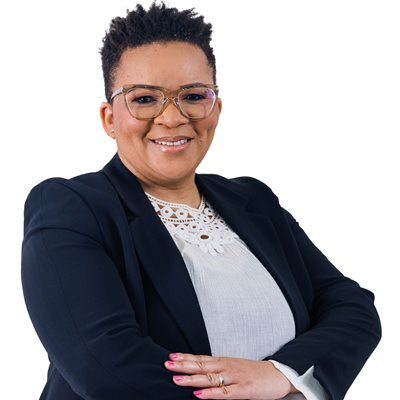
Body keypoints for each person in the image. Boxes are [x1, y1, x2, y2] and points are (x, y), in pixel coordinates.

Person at [21, 2, 381, 400]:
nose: (172, 117)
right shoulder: (71, 209)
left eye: (193, 95)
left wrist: (282, 374)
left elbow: (353, 310)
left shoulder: (254, 201)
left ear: (216, 109)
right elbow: (105, 368)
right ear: (110, 118)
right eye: (144, 99)